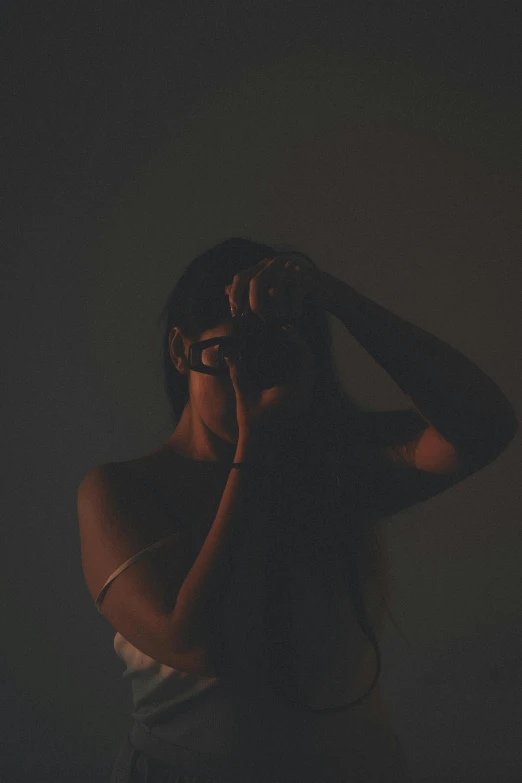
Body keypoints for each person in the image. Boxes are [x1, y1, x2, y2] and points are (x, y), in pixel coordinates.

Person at [77, 237, 517, 782]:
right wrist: (255, 448)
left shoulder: (333, 464)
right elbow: (201, 643)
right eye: (233, 354)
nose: (250, 378)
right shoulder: (122, 490)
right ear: (179, 349)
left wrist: (337, 300)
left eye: (270, 356)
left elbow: (484, 429)